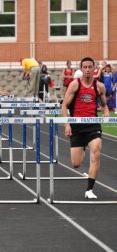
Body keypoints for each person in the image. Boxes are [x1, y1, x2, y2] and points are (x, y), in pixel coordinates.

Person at [61, 57, 109, 199]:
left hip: (92, 125)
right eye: (85, 67)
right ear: (81, 69)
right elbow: (64, 105)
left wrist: (106, 112)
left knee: (96, 151)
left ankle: (89, 190)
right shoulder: (75, 85)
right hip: (77, 126)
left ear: (94, 68)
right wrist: (67, 124)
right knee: (76, 164)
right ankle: (82, 147)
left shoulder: (99, 86)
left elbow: (104, 104)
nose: (88, 70)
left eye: (90, 67)